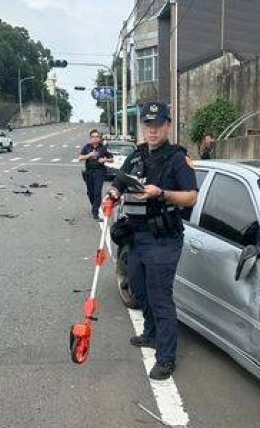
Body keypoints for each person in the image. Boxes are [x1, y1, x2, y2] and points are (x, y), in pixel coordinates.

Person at [107, 101, 198, 380]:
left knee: (160, 299)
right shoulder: (136, 155)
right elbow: (119, 182)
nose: (153, 131)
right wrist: (112, 194)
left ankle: (166, 357)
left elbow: (191, 196)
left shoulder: (176, 159)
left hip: (163, 240)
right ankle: (150, 333)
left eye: (158, 125)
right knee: (138, 289)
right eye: (148, 125)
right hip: (136, 237)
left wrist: (162, 193)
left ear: (168, 126)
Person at [78, 130, 113, 219]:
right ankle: (94, 205)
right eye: (93, 137)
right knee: (90, 192)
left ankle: (95, 211)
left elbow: (111, 159)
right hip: (89, 171)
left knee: (97, 191)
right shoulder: (87, 147)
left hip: (99, 172)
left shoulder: (103, 148)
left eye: (97, 137)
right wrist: (89, 155)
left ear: (99, 138)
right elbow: (80, 158)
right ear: (90, 138)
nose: (95, 138)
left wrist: (104, 160)